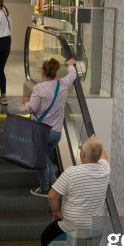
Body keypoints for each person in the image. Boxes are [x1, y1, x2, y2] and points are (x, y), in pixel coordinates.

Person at [20, 57, 79, 196]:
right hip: (56, 133)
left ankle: (45, 187)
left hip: (41, 132)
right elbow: (73, 74)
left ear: (42, 72)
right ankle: (55, 182)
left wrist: (25, 102)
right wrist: (70, 65)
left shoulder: (39, 88)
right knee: (45, 155)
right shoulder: (62, 84)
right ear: (55, 72)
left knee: (41, 159)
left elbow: (30, 109)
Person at [41, 136, 110, 246]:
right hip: (96, 228)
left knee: (47, 236)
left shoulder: (72, 173)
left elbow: (52, 196)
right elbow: (103, 155)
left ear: (83, 155)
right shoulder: (105, 169)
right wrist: (96, 142)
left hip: (72, 227)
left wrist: (56, 211)